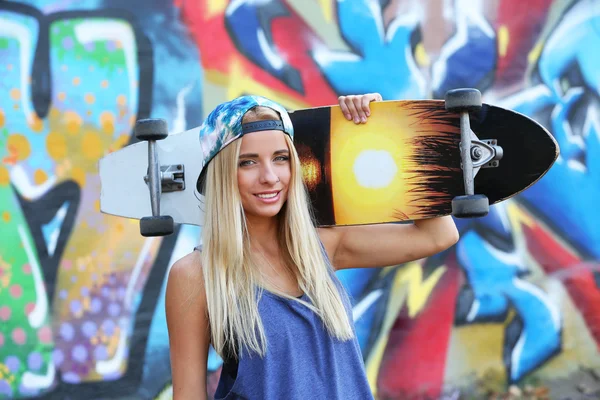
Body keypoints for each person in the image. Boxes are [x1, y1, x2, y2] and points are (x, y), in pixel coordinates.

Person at [165, 93, 459, 400]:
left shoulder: (323, 245)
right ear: (222, 173)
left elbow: (438, 234)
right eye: (247, 162)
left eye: (280, 158)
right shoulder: (196, 275)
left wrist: (385, 131)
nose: (269, 177)